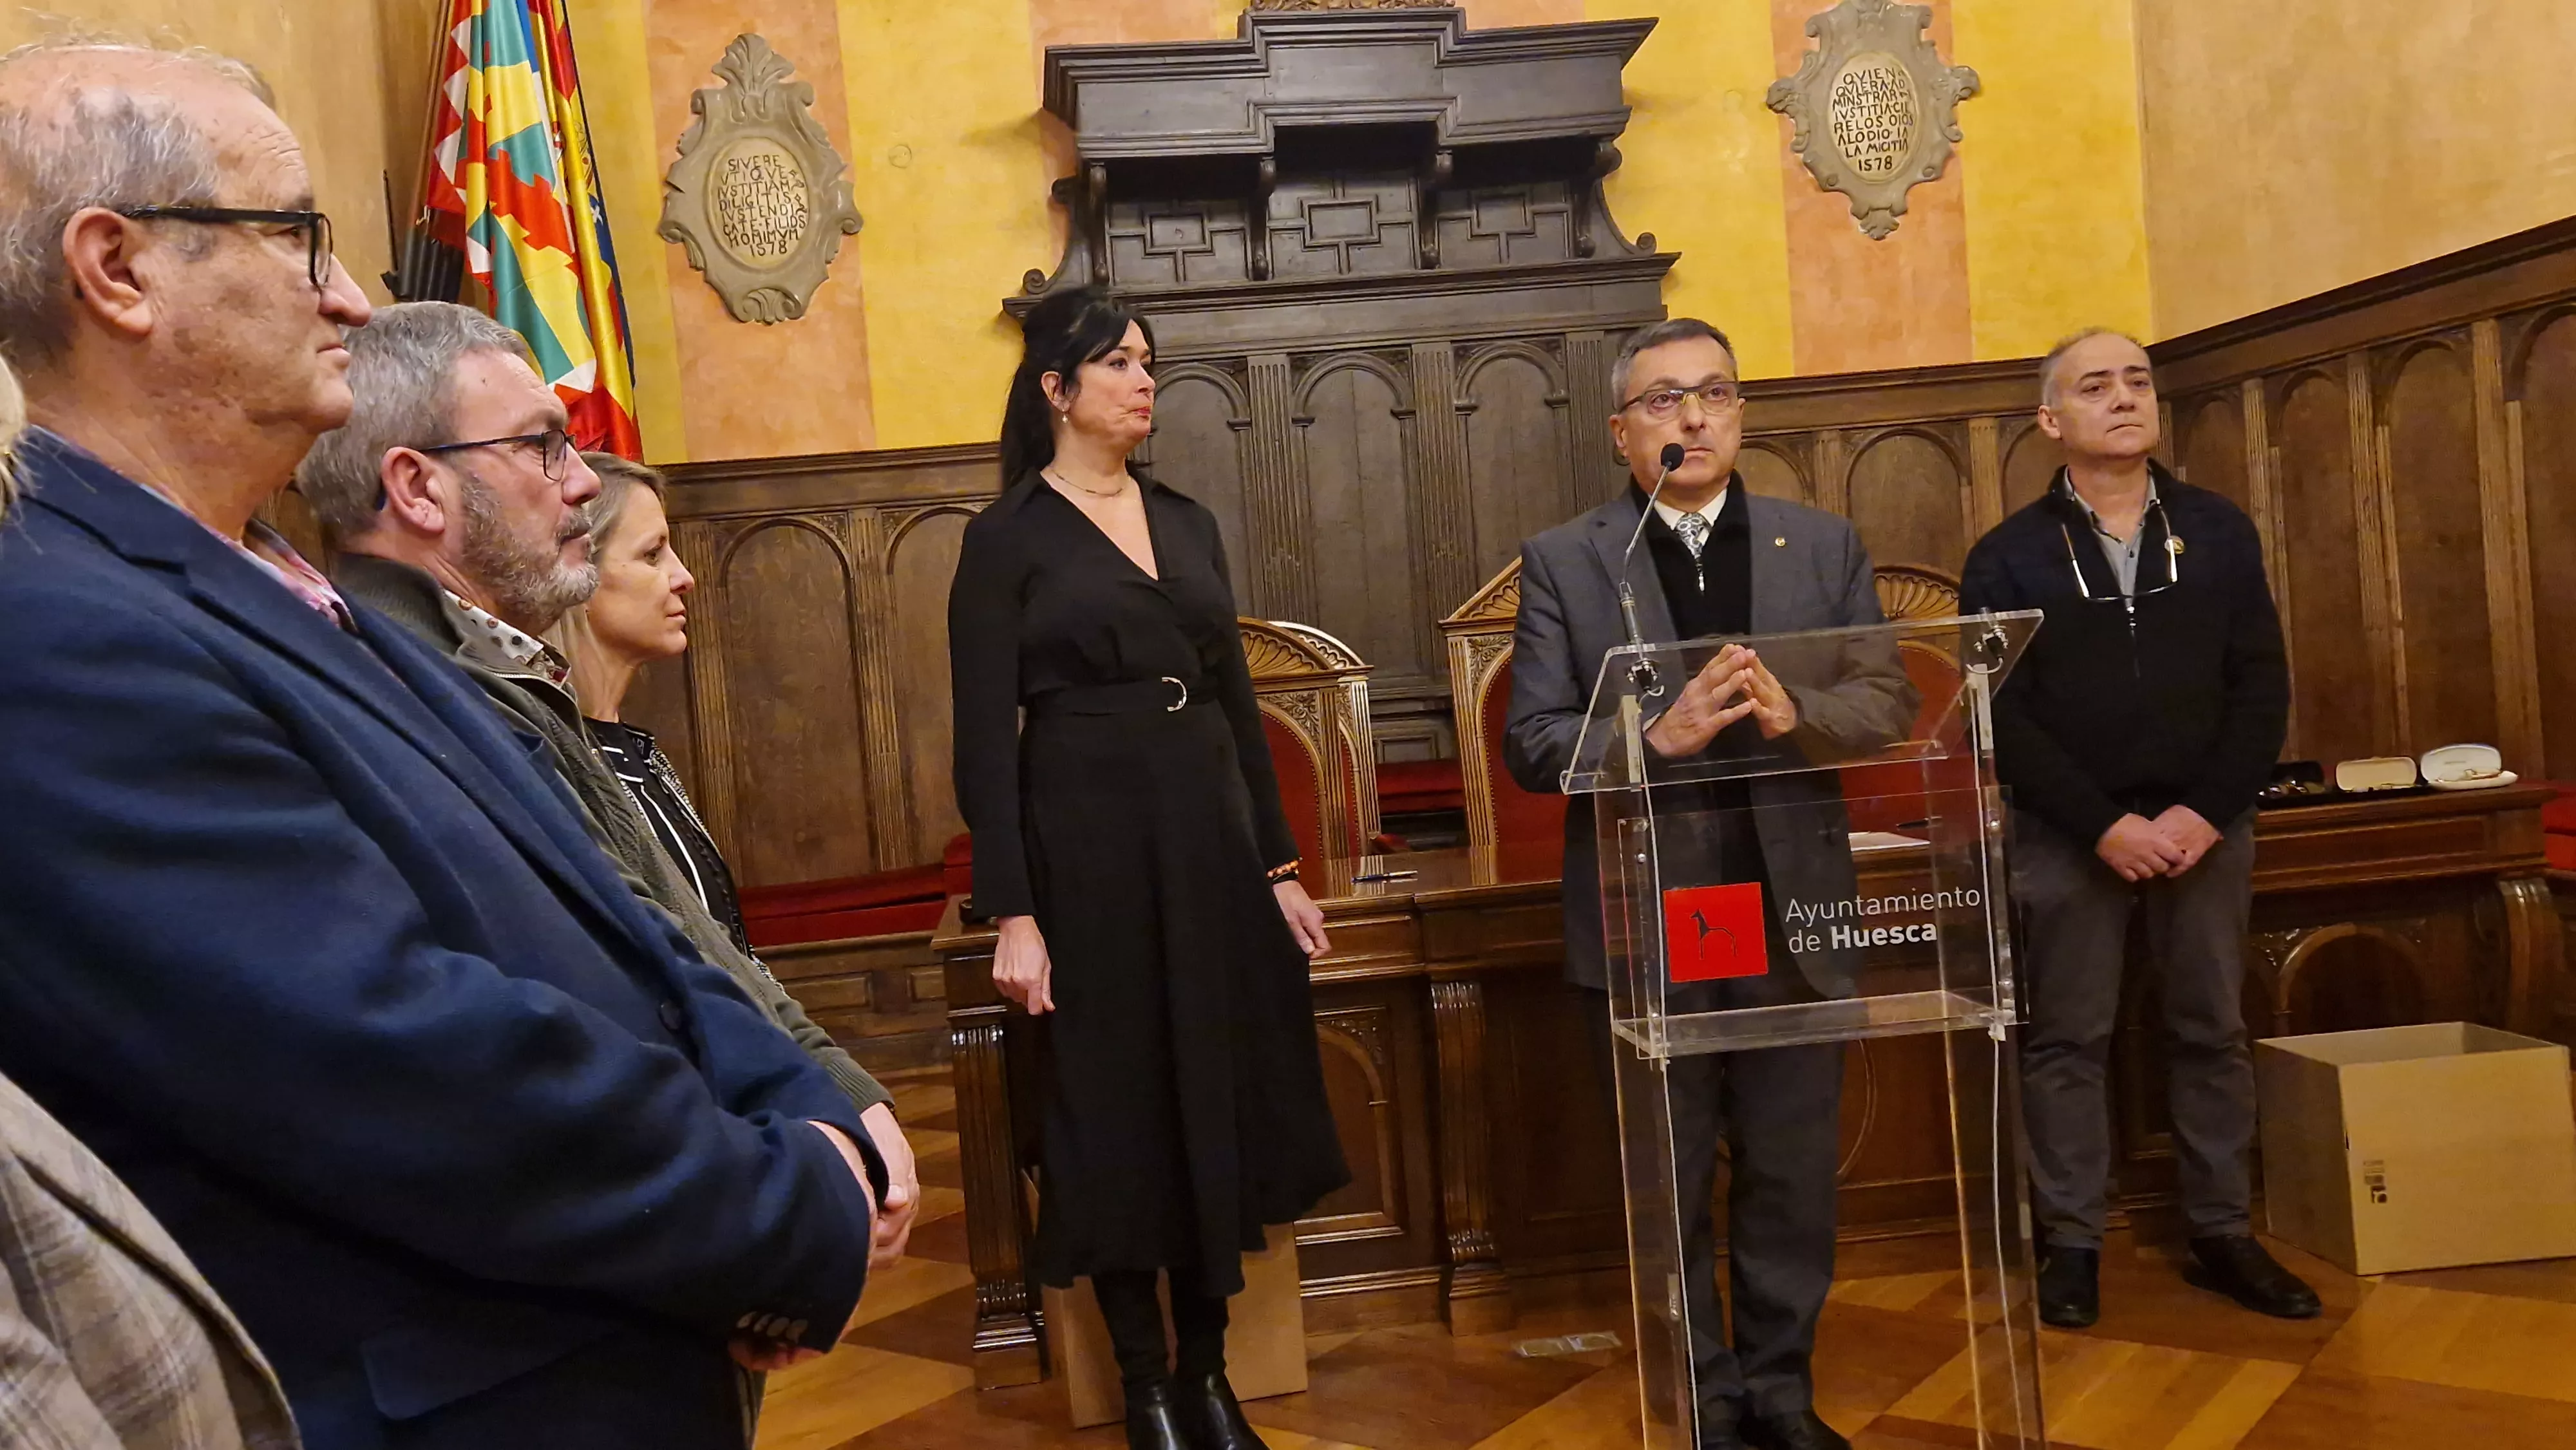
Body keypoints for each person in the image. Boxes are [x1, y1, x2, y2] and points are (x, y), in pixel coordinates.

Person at [0, 41, 879, 1448]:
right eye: (298, 236)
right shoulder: (51, 624)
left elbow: (608, 909)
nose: (350, 296)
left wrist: (792, 1099)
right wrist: (781, 1210)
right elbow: (386, 1055)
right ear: (119, 270)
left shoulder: (266, 568)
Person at [298, 303, 920, 1270]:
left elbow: (680, 926)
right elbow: (616, 965)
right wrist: (778, 1170)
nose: (584, 482)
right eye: (542, 446)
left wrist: (822, 1077)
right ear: (418, 488)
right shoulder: (410, 688)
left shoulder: (494, 669)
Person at [946, 285, 1350, 1450]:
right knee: (1116, 1103)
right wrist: (1013, 912)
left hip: (1206, 837)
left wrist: (1279, 866)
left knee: (1213, 1089)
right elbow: (983, 742)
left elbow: (1236, 703)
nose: (1143, 380)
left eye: (1148, 362)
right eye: (1118, 362)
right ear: (1056, 388)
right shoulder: (1006, 538)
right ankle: (1147, 1389)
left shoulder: (1187, 520)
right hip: (1085, 843)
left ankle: (1209, 1375)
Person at [1506, 318, 1914, 1450]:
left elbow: (1888, 700)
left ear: (1740, 414)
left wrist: (1798, 712)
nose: (1693, 416)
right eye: (1665, 400)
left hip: (1792, 905)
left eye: (1717, 394)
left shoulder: (1819, 544)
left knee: (1790, 1169)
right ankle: (1703, 1398)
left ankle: (1781, 1391)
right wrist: (1649, 737)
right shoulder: (1568, 558)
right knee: (1671, 1172)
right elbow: (1533, 741)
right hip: (1657, 908)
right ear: (1621, 432)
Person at [1959, 329, 2318, 1330]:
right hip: (2071, 833)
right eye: (2096, 386)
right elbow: (2001, 715)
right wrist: (2103, 823)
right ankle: (2071, 1241)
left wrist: (2206, 809)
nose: (2125, 398)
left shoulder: (2218, 529)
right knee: (2068, 1038)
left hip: (2205, 826)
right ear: (2051, 420)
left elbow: (2261, 685)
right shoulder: (2006, 556)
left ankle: (2222, 1232)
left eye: (2138, 381)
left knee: (2210, 1028)